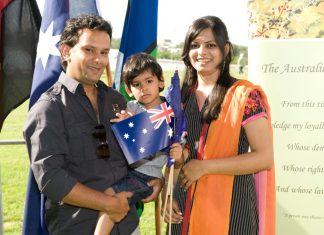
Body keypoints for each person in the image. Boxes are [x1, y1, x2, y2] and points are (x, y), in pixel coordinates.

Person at [23, 15, 162, 235]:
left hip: (127, 225)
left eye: (104, 52)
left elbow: (132, 157)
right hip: (79, 227)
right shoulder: (48, 108)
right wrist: (107, 203)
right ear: (66, 51)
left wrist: (153, 180)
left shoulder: (116, 100)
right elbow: (51, 179)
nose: (99, 59)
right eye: (89, 50)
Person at [162, 16, 275, 235]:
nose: (201, 51)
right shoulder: (180, 98)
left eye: (210, 45)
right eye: (194, 45)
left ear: (226, 49)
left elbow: (264, 157)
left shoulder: (245, 96)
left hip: (233, 208)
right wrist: (168, 197)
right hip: (184, 207)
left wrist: (204, 167)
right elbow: (174, 155)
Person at [94, 52, 184, 235]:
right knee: (111, 201)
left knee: (110, 198)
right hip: (125, 171)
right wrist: (125, 123)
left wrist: (178, 155)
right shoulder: (132, 107)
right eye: (136, 84)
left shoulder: (170, 113)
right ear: (128, 90)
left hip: (145, 177)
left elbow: (178, 160)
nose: (144, 88)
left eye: (149, 81)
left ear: (160, 82)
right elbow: (121, 138)